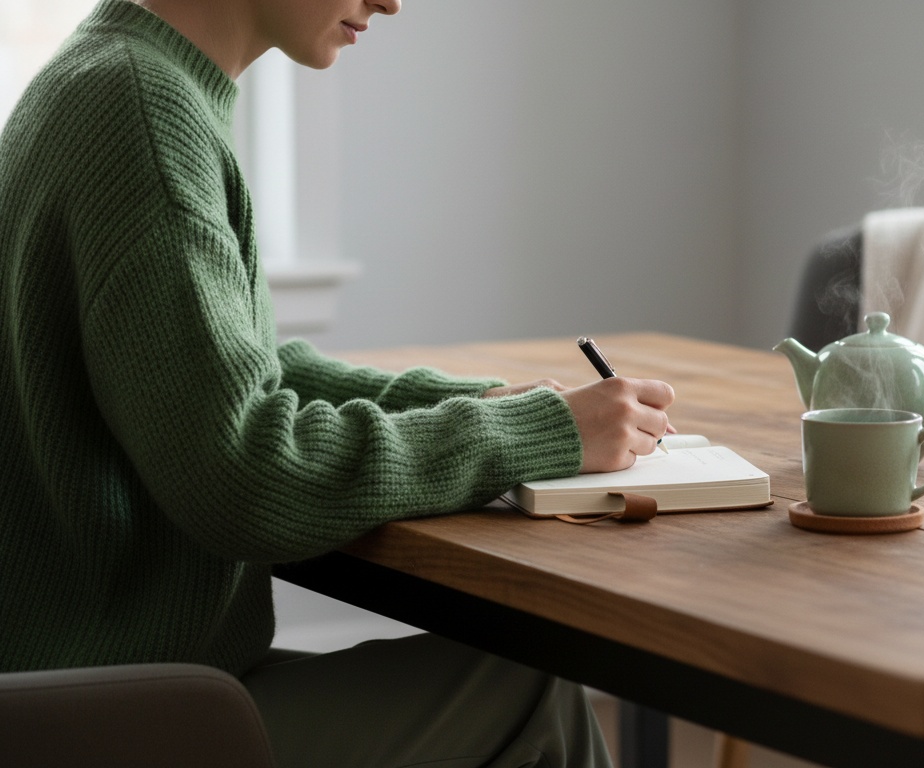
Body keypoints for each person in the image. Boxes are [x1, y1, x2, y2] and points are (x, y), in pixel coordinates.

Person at [0, 0, 674, 765]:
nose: (391, 1)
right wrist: (534, 435)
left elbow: (237, 370)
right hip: (84, 720)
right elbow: (248, 476)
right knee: (528, 695)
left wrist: (478, 406)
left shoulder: (114, 74)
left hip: (81, 688)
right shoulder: (142, 111)